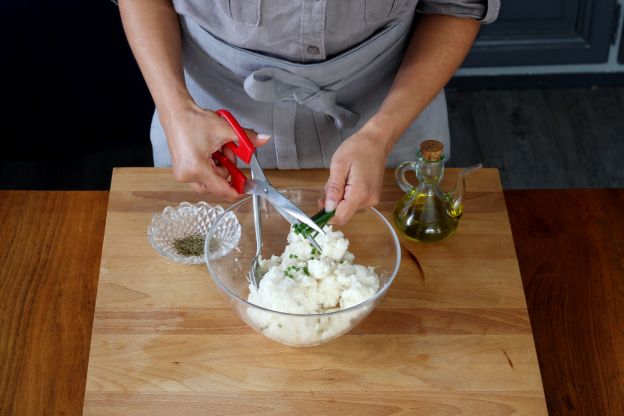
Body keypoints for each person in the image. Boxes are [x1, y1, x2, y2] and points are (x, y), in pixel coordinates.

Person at [118, 0, 499, 224]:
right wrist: (176, 112)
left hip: (387, 112)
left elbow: (456, 6)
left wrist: (380, 134)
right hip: (207, 126)